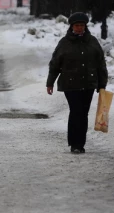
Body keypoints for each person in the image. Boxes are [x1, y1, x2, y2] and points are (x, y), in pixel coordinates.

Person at [46, 12, 108, 154]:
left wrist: (102, 84)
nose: (79, 28)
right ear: (72, 26)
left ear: (85, 26)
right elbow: (55, 64)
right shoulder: (64, 43)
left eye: (82, 25)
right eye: (77, 25)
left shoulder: (92, 42)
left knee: (83, 113)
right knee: (75, 112)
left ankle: (80, 143)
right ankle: (74, 143)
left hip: (88, 83)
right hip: (70, 84)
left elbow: (101, 64)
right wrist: (50, 83)